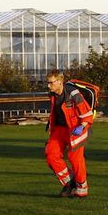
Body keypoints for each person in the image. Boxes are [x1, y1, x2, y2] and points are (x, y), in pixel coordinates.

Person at [44, 70, 95, 198]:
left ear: (60, 82)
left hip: (76, 129)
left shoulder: (74, 94)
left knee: (75, 159)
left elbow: (87, 114)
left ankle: (82, 189)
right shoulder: (52, 95)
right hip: (59, 130)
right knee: (51, 155)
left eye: (51, 83)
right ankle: (69, 181)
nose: (48, 86)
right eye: (47, 83)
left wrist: (82, 127)